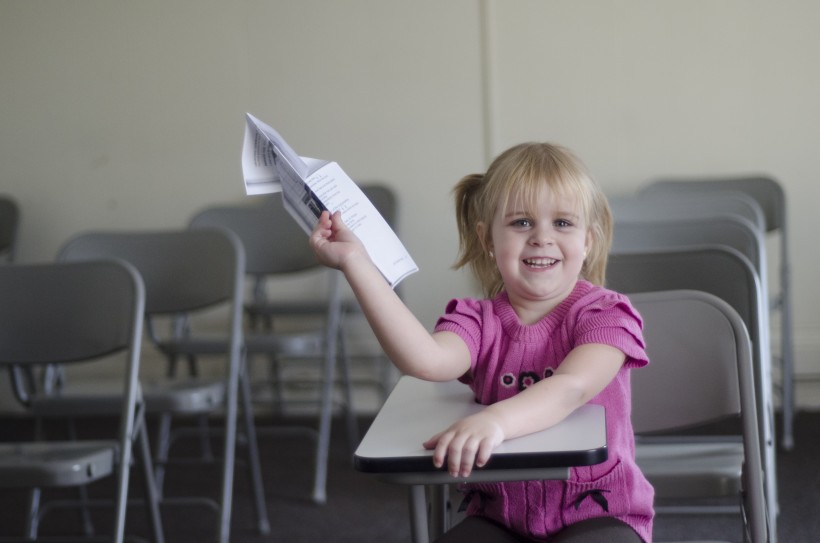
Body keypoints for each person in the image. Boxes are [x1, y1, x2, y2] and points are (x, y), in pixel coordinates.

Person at [309, 142, 654, 542]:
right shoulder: (476, 320)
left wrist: (495, 421)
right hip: (498, 517)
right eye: (521, 222)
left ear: (588, 241)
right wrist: (356, 262)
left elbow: (571, 388)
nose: (542, 237)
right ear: (487, 239)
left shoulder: (608, 314)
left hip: (600, 513)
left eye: (562, 223)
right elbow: (426, 360)